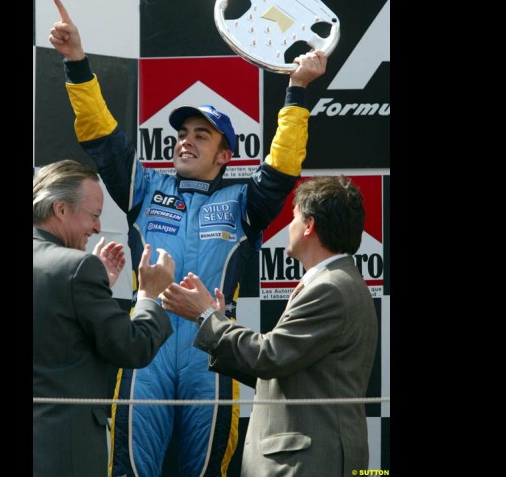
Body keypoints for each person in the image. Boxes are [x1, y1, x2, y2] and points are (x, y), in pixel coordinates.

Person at [48, 0, 328, 477]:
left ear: (225, 156)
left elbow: (283, 165)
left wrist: (297, 91)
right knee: (131, 467)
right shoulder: (145, 187)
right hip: (147, 346)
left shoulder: (245, 201)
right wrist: (77, 63)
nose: (186, 139)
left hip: (210, 352)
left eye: (202, 135)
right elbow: (101, 135)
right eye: (182, 132)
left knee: (204, 469)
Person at [161, 175, 378, 476]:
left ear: (309, 226)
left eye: (293, 218)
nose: (287, 227)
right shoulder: (337, 282)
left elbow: (270, 356)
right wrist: (216, 320)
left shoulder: (330, 287)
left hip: (308, 462)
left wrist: (205, 317)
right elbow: (281, 369)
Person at [33, 159, 178, 477]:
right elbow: (133, 347)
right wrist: (149, 295)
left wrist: (94, 287)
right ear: (61, 210)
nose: (98, 228)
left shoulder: (74, 272)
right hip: (65, 450)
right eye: (94, 216)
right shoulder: (76, 269)